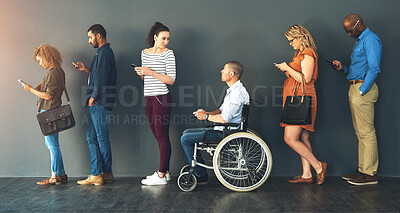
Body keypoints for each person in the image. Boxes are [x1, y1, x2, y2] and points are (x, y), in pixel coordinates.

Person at [330, 14, 382, 185]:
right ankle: (362, 170)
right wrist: (343, 68)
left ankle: (370, 174)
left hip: (362, 91)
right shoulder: (360, 40)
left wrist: (362, 90)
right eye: (346, 32)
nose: (349, 35)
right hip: (355, 87)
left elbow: (374, 68)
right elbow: (358, 69)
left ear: (358, 24)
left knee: (367, 133)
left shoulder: (371, 39)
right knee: (360, 133)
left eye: (350, 31)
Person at [181, 61, 250, 184]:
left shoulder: (237, 94)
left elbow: (224, 119)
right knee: (186, 133)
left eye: (224, 69)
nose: (221, 71)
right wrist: (207, 112)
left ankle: (200, 174)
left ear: (232, 74)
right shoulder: (234, 90)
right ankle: (199, 170)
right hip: (223, 129)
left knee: (185, 139)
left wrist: (206, 117)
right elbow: (221, 111)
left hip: (227, 132)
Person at [275, 24, 327, 185]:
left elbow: (305, 79)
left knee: (290, 138)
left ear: (301, 37)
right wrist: (287, 69)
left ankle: (318, 166)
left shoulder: (308, 53)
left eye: (292, 40)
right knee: (303, 137)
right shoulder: (300, 54)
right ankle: (306, 174)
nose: (290, 43)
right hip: (296, 99)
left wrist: (286, 68)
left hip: (301, 100)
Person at [74, 24, 117, 186]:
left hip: (99, 101)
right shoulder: (102, 53)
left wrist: (93, 97)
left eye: (90, 37)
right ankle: (102, 173)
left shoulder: (105, 53)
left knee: (100, 137)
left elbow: (102, 80)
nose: (89, 41)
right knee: (93, 137)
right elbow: (98, 75)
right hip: (98, 101)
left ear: (99, 36)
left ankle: (100, 173)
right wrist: (86, 70)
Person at [134, 22, 176, 186]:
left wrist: (150, 71)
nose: (166, 41)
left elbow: (171, 80)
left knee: (162, 136)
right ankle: (165, 172)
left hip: (162, 98)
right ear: (155, 38)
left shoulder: (168, 54)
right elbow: (146, 79)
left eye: (168, 39)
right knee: (158, 136)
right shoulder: (144, 53)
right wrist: (142, 73)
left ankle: (160, 175)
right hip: (148, 97)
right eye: (163, 38)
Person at [21, 44, 68, 185]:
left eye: (40, 60)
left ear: (47, 57)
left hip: (48, 112)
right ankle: (61, 174)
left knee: (52, 145)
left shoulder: (53, 73)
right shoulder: (58, 71)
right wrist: (39, 86)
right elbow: (48, 85)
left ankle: (54, 176)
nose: (40, 64)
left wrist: (30, 90)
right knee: (54, 144)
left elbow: (48, 96)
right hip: (54, 111)